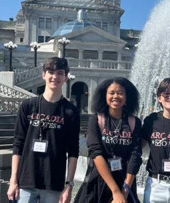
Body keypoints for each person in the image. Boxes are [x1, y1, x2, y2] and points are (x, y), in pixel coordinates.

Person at [7, 57, 80, 203]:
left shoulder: (70, 111)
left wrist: (69, 186)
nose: (55, 77)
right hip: (25, 181)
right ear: (43, 75)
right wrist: (13, 180)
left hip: (53, 184)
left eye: (60, 73)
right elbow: (18, 144)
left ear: (65, 77)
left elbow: (73, 151)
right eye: (51, 72)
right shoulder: (28, 106)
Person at [74, 77, 142, 203]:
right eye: (111, 93)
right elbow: (96, 153)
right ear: (104, 96)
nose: (116, 96)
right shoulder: (96, 120)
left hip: (124, 181)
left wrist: (125, 190)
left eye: (120, 93)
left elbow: (135, 156)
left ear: (127, 97)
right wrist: (115, 191)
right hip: (99, 181)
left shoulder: (134, 122)